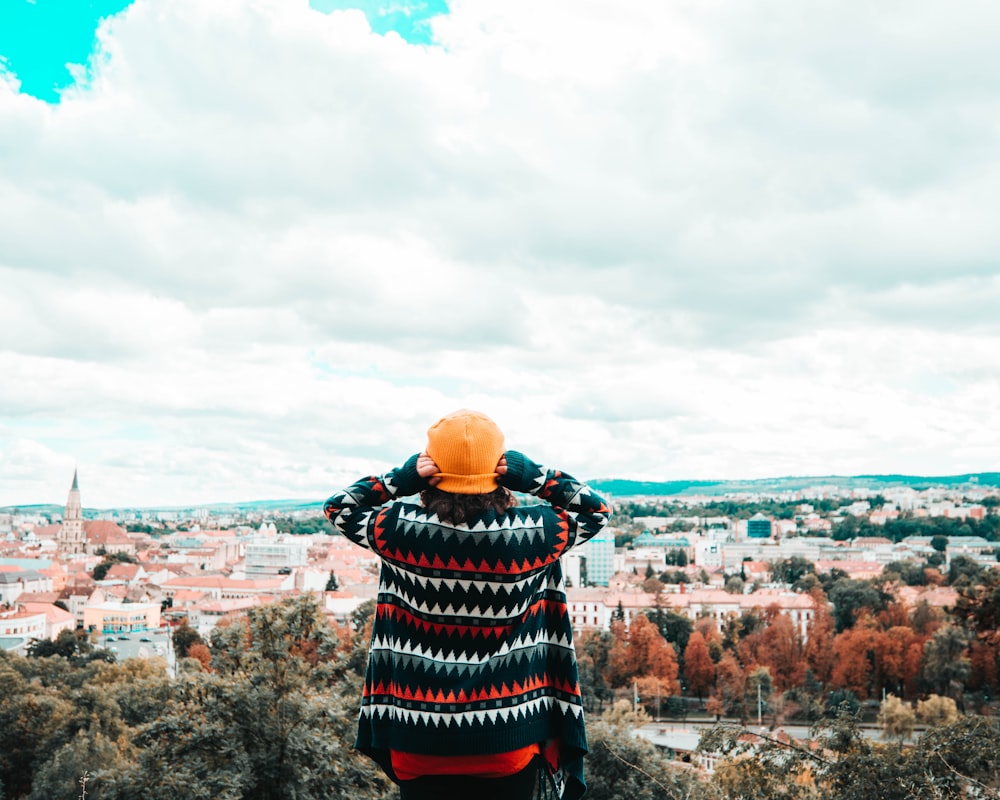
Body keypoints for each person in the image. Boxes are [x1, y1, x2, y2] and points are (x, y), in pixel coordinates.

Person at [323, 409, 613, 800]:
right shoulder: (536, 532)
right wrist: (533, 477)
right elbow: (597, 510)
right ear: (498, 472)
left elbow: (339, 507)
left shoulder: (397, 529)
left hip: (416, 740)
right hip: (506, 742)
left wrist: (403, 479)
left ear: (433, 469)